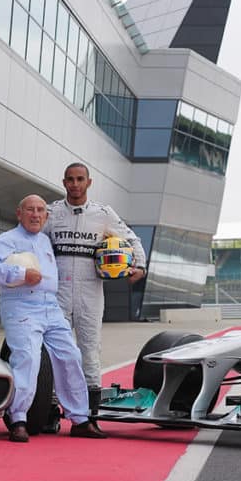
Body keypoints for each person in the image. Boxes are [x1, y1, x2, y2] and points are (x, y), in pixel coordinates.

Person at [0, 194, 106, 442]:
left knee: (71, 355)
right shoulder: (8, 240)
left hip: (50, 306)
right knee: (27, 357)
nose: (35, 215)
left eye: (40, 210)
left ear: (46, 216)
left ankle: (79, 419)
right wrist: (20, 273)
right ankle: (17, 418)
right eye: (30, 210)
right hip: (21, 306)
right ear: (19, 213)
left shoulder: (45, 241)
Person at [44, 163, 147, 395]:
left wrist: (139, 266)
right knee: (54, 349)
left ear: (89, 182)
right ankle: (49, 408)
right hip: (57, 292)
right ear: (64, 183)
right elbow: (32, 243)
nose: (75, 184)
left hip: (90, 291)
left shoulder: (103, 213)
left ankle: (90, 413)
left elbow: (132, 239)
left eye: (80, 179)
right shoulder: (51, 212)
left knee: (89, 350)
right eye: (70, 179)